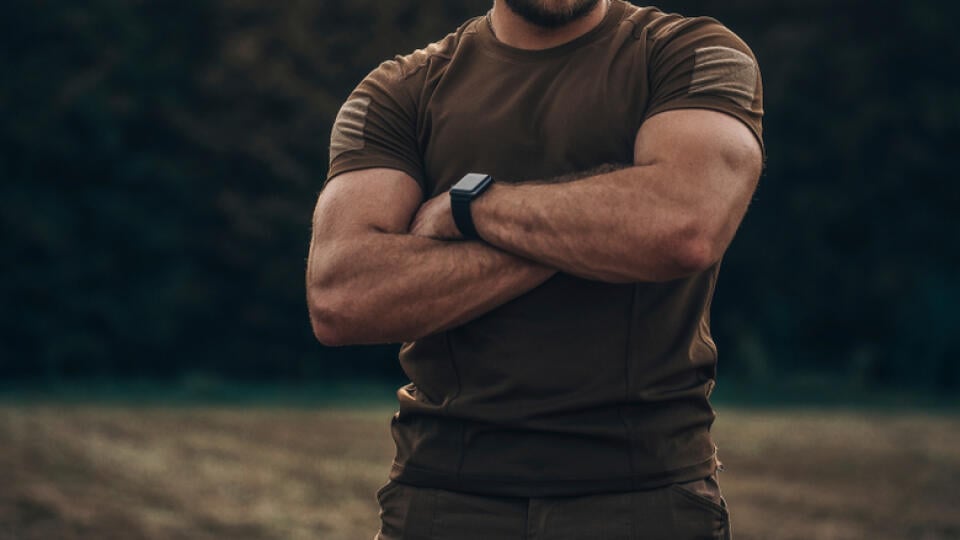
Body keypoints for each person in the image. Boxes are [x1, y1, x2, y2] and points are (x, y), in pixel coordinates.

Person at [306, 0, 763, 537]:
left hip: (646, 496)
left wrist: (470, 208)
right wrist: (595, 228)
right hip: (443, 497)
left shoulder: (689, 53)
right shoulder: (399, 91)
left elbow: (684, 226)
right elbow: (343, 296)